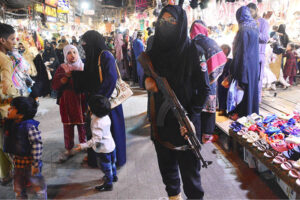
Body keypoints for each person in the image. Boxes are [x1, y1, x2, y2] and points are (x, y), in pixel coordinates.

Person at [144, 5, 210, 199]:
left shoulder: (194, 51)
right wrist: (147, 82)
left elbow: (205, 89)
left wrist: (191, 116)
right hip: (161, 121)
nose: (166, 25)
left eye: (172, 21)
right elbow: (146, 76)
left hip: (186, 122)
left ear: (181, 23)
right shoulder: (153, 50)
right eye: (162, 21)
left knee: (190, 174)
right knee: (167, 168)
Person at [78, 30, 126, 168]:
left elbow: (111, 79)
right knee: (95, 131)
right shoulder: (91, 57)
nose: (84, 45)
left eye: (86, 42)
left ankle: (114, 162)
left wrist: (99, 101)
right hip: (94, 101)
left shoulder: (105, 56)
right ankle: (96, 160)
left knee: (111, 132)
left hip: (106, 103)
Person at [190, 20, 227, 143]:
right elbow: (222, 59)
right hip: (210, 85)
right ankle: (207, 136)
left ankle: (196, 136)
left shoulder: (190, 44)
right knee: (208, 111)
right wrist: (211, 77)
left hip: (195, 87)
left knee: (197, 111)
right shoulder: (210, 42)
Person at [5, 97, 46, 199]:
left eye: (12, 108)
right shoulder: (12, 124)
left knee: (37, 186)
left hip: (30, 165)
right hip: (18, 164)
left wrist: (36, 164)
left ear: (21, 114)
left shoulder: (29, 126)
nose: (8, 110)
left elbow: (37, 144)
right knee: (18, 187)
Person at [74, 95, 117, 192]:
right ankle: (114, 176)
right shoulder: (106, 116)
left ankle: (108, 184)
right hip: (111, 144)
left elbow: (96, 140)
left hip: (103, 149)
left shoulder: (96, 123)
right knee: (112, 163)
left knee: (105, 166)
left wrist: (83, 145)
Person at [52, 44, 86, 162]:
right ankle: (69, 149)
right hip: (67, 100)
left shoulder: (82, 66)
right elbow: (55, 85)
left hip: (81, 100)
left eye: (74, 52)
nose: (72, 55)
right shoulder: (62, 68)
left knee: (83, 123)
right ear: (65, 55)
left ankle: (84, 145)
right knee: (68, 125)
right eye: (69, 53)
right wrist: (65, 77)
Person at [230, 6, 260, 118]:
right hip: (254, 64)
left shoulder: (243, 29)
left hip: (245, 64)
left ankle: (244, 116)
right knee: (252, 91)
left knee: (244, 92)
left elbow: (241, 52)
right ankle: (252, 114)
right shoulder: (255, 27)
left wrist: (235, 69)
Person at [0, 23, 20, 185]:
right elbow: (8, 87)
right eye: (12, 39)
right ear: (2, 40)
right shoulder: (5, 59)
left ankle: (6, 174)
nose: (15, 42)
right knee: (8, 143)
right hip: (5, 108)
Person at [247, 3, 269, 103]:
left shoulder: (263, 22)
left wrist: (254, 30)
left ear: (256, 10)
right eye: (248, 12)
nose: (250, 14)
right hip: (248, 56)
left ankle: (256, 102)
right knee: (248, 79)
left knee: (257, 80)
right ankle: (249, 101)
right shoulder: (248, 22)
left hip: (259, 56)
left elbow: (265, 38)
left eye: (251, 12)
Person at [218, 44, 232, 115]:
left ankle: (223, 109)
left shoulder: (230, 60)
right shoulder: (219, 60)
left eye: (225, 50)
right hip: (220, 79)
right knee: (220, 93)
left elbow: (230, 72)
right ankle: (220, 107)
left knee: (224, 94)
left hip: (225, 80)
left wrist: (227, 79)